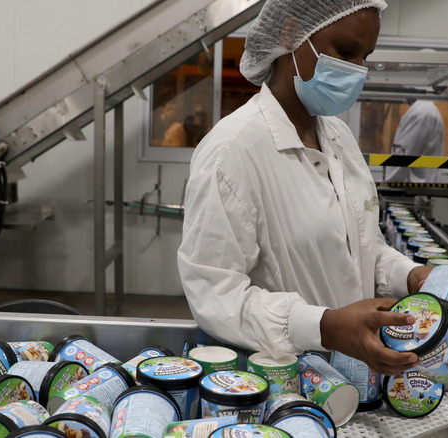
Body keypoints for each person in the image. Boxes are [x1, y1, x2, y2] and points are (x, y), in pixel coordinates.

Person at [177, 0, 433, 376]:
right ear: (291, 34)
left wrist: (411, 276)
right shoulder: (232, 151)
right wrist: (324, 327)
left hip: (356, 378)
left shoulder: (339, 138)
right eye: (346, 52)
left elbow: (362, 249)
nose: (357, 71)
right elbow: (216, 295)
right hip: (282, 385)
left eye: (365, 57)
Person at [385, 100, 444, 183]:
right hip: (423, 183)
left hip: (416, 185)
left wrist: (388, 182)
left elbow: (405, 153)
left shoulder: (420, 112)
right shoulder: (427, 109)